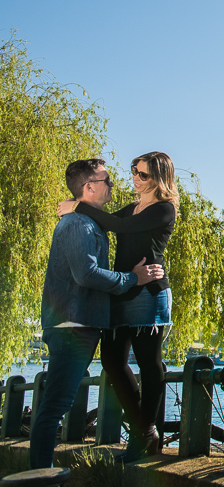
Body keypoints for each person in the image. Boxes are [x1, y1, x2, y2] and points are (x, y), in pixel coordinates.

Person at [30, 158, 164, 469]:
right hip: (71, 327)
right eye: (107, 181)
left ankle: (40, 473)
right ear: (89, 187)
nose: (114, 185)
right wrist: (133, 278)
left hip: (80, 324)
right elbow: (87, 274)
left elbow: (121, 225)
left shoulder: (87, 221)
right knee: (55, 406)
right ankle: (39, 475)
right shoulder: (79, 225)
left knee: (55, 404)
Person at [57, 151, 177, 461]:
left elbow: (118, 227)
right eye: (134, 171)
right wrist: (80, 208)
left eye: (143, 175)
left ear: (160, 178)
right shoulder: (131, 208)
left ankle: (146, 433)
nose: (135, 179)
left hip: (148, 293)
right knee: (111, 361)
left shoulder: (163, 210)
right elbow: (110, 223)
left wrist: (79, 206)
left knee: (149, 364)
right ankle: (145, 431)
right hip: (123, 289)